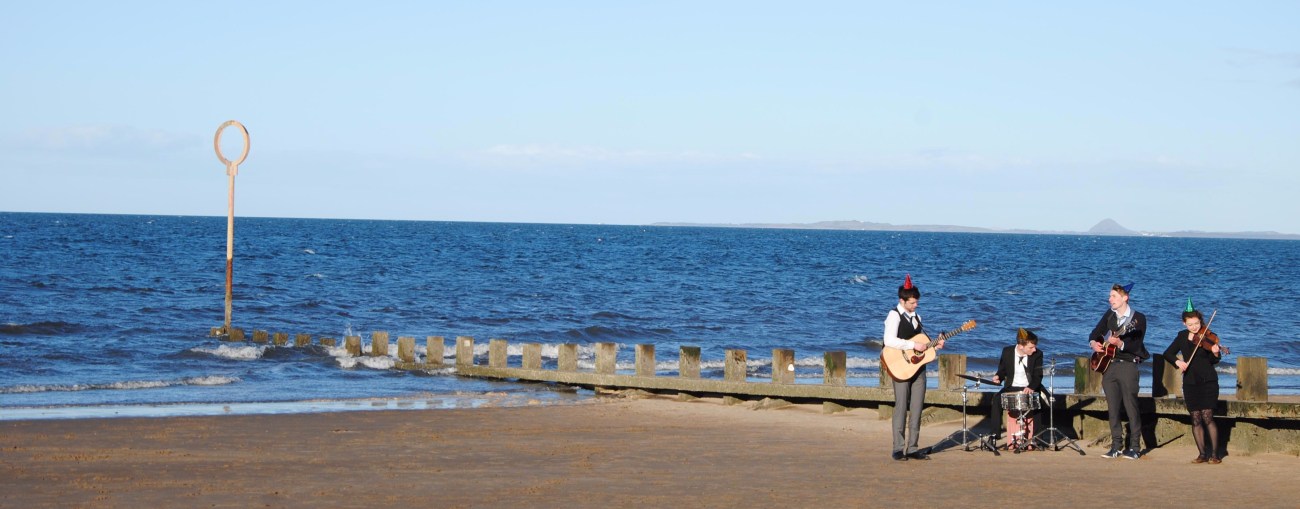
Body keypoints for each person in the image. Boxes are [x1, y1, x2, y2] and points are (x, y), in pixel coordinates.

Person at [882, 273, 945, 461]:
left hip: (918, 367)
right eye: (912, 302)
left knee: (917, 408)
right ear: (902, 300)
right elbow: (889, 340)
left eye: (916, 302)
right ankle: (898, 447)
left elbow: (922, 343)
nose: (915, 305)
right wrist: (912, 346)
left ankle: (913, 447)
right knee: (901, 406)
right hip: (900, 365)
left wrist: (936, 344)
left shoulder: (917, 316)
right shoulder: (893, 315)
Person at [1088, 282, 1149, 460]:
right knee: (1112, 407)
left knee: (1131, 406)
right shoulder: (1109, 315)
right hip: (1109, 365)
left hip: (1128, 365)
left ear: (1125, 298)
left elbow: (1137, 343)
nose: (1110, 299)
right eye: (1110, 296)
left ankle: (1135, 447)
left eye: (1113, 296)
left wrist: (1121, 343)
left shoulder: (1138, 319)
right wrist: (1094, 344)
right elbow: (1095, 333)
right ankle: (1116, 446)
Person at [1161, 299, 1223, 464]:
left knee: (1207, 416)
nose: (1195, 327)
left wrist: (1216, 352)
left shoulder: (1207, 335)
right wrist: (1178, 362)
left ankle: (1215, 455)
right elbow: (1167, 353)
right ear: (1184, 323)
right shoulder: (1181, 336)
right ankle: (1202, 454)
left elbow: (1214, 360)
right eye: (1190, 324)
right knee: (1195, 417)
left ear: (1200, 321)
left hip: (1208, 381)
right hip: (1190, 382)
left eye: (1196, 323)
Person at [991, 328, 1044, 452]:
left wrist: (1031, 387)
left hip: (1030, 385)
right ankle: (994, 436)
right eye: (1031, 347)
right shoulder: (1007, 352)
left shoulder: (1038, 354)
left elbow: (1038, 376)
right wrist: (998, 376)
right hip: (1011, 386)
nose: (1034, 349)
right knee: (996, 401)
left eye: (1034, 347)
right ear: (1021, 346)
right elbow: (1002, 369)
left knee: (1039, 402)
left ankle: (1037, 438)